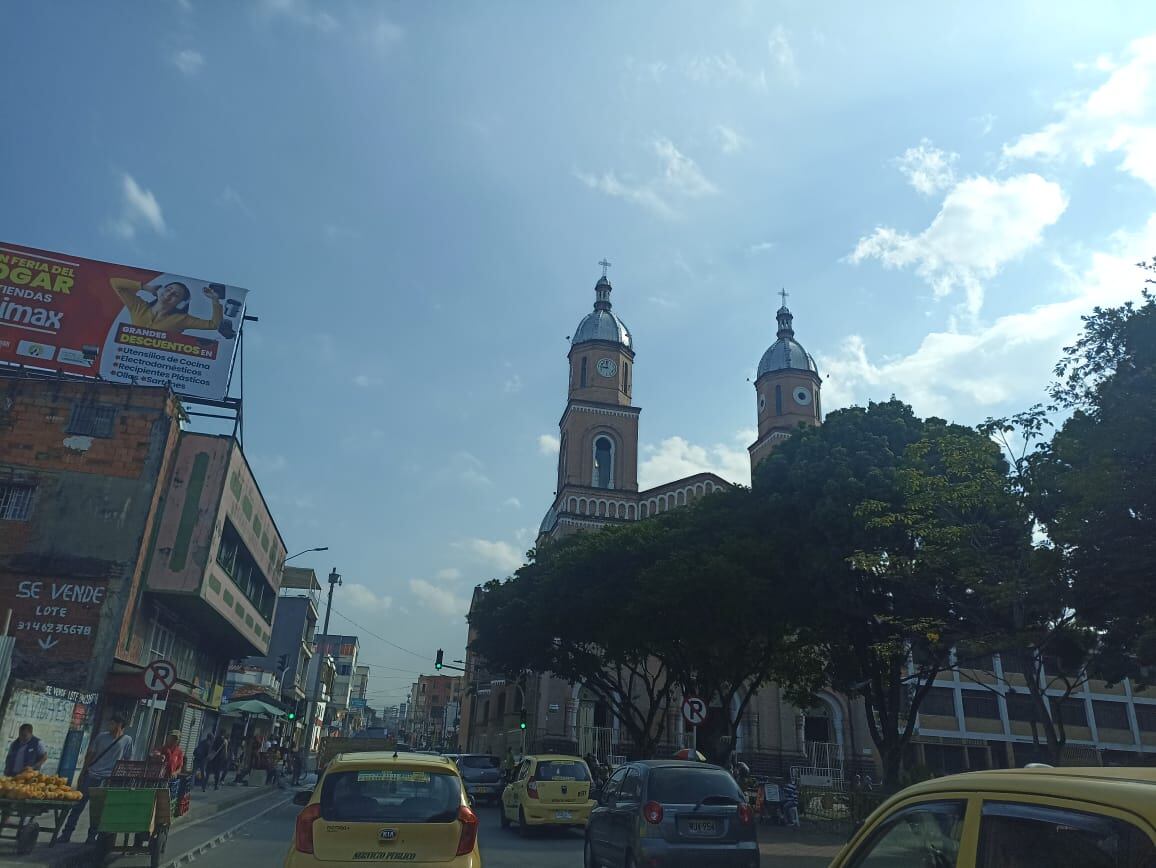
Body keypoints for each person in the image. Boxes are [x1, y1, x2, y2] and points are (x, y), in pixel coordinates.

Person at [60, 714, 134, 843]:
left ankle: (91, 836)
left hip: (107, 779)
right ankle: (66, 833)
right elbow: (91, 754)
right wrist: (83, 772)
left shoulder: (127, 740)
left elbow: (127, 760)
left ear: (119, 725)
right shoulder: (101, 737)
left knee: (98, 810)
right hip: (92, 775)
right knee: (78, 806)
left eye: (111, 723)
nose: (109, 725)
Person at [110, 277, 222, 333]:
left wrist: (215, 300)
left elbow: (213, 325)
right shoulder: (139, 307)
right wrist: (147, 288)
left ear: (180, 303)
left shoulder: (182, 319)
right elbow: (115, 283)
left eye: (175, 295)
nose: (169, 295)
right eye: (168, 290)